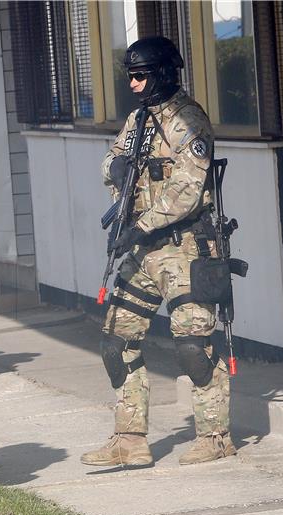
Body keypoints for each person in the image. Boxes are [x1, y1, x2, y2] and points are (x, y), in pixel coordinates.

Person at [81, 36, 235, 467]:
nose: (132, 84)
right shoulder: (140, 119)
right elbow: (112, 161)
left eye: (139, 75)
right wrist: (116, 171)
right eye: (129, 75)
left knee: (193, 348)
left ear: (163, 74)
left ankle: (216, 435)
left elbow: (187, 188)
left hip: (186, 248)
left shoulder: (188, 121)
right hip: (144, 250)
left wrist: (142, 224)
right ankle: (130, 440)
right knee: (116, 339)